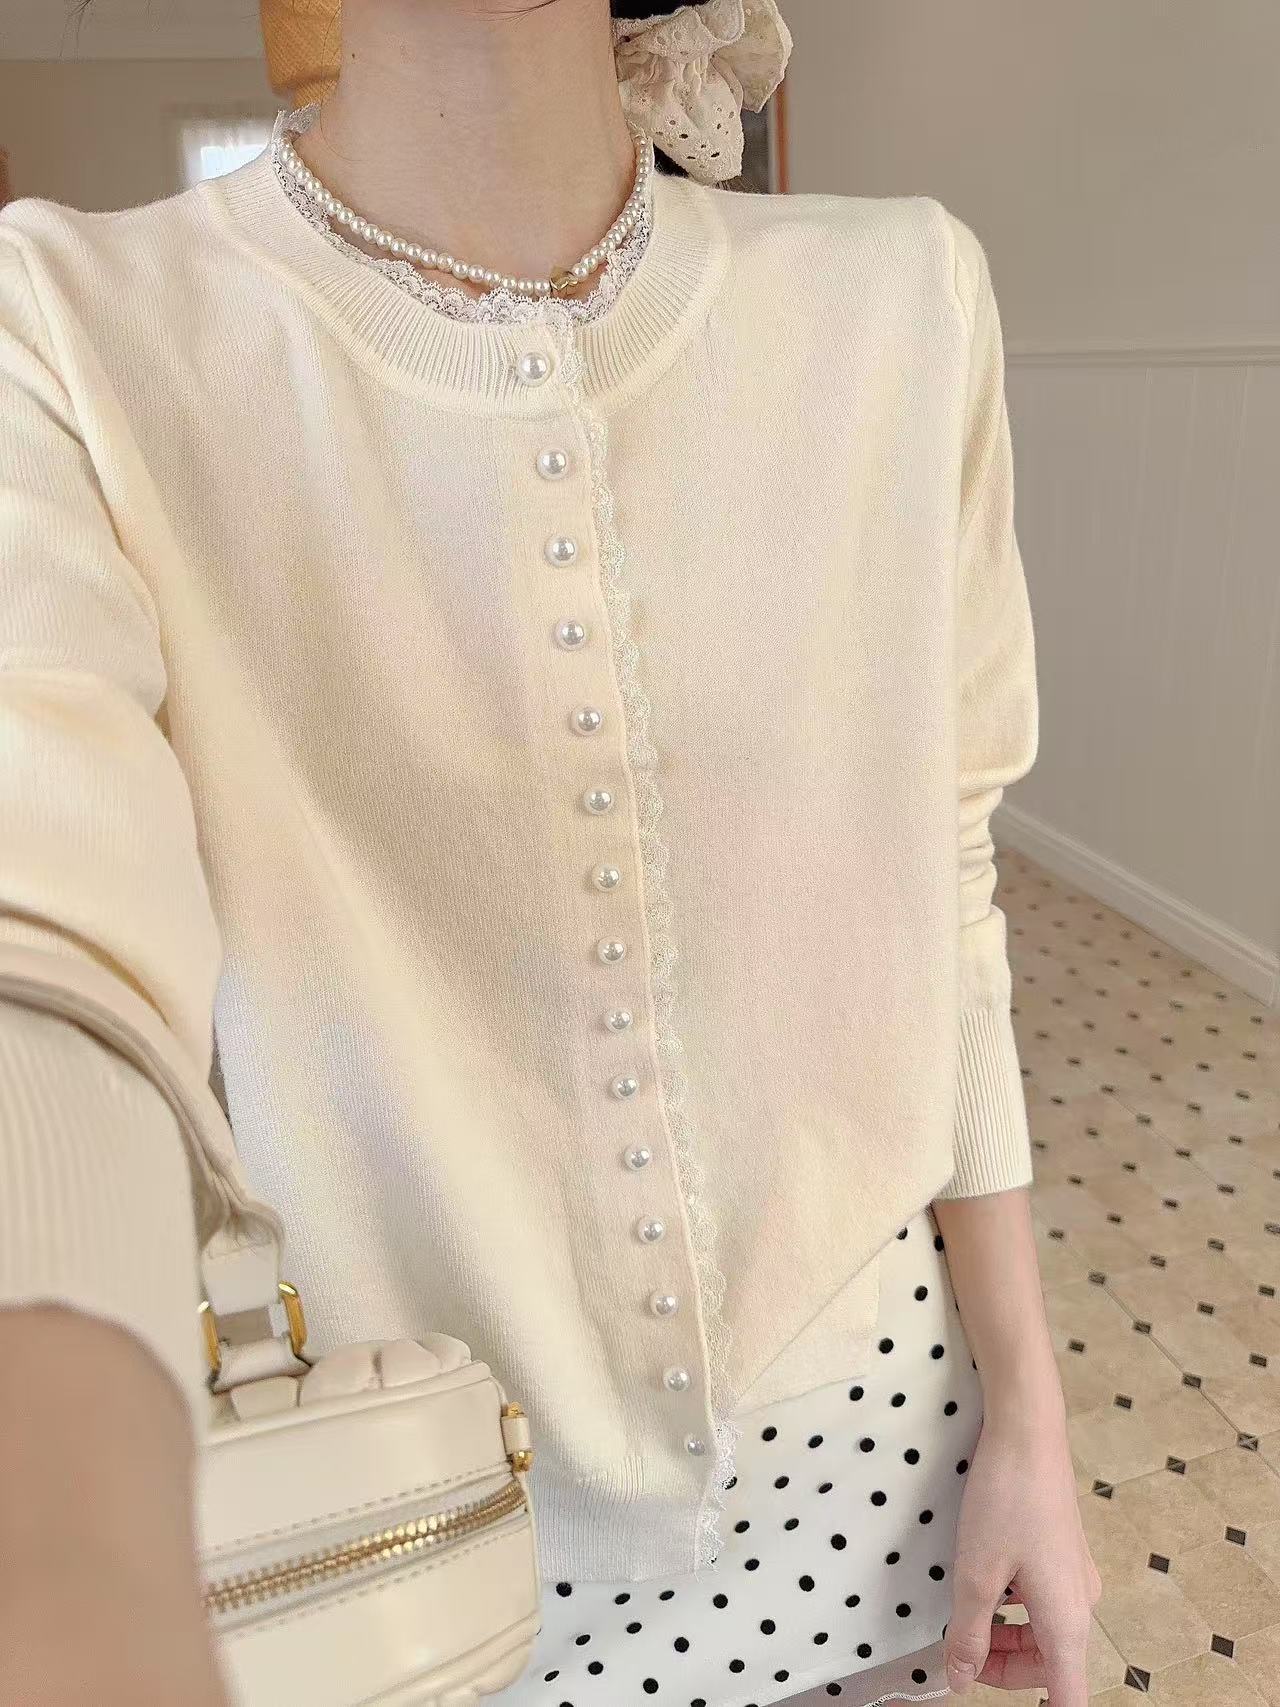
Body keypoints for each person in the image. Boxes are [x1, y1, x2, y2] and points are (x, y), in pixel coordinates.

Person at [0, 1, 1101, 1703]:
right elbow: (49, 934)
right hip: (389, 1530)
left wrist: (1030, 1408)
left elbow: (946, 883)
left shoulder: (902, 297)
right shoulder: (72, 323)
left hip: (883, 1464)